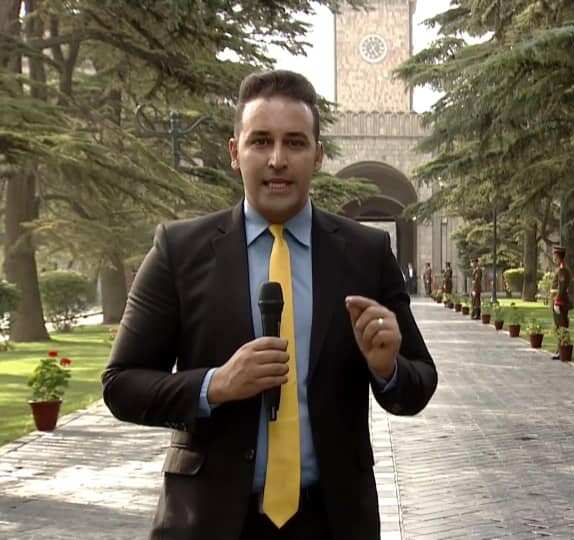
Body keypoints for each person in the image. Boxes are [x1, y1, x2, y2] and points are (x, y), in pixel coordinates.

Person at [102, 70, 437, 540]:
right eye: (261, 141)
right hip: (208, 520)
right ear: (235, 152)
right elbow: (121, 385)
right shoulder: (180, 250)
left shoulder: (365, 255)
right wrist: (215, 385)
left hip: (333, 521)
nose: (278, 159)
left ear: (318, 156)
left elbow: (419, 383)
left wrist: (388, 369)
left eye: (295, 143)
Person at [550, 247, 572, 359]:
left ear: (558, 256)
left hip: (560, 302)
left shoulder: (562, 269)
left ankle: (563, 349)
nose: (553, 258)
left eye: (555, 256)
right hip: (557, 300)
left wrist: (557, 302)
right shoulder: (559, 268)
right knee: (558, 326)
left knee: (561, 325)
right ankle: (560, 349)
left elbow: (562, 287)